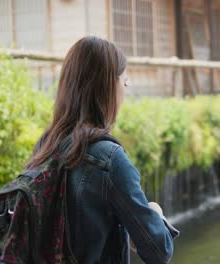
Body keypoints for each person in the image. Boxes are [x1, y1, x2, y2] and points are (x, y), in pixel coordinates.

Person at [27, 36, 179, 263]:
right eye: (124, 82)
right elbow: (158, 250)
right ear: (108, 86)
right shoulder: (110, 159)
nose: (125, 92)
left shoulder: (45, 145)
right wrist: (155, 213)